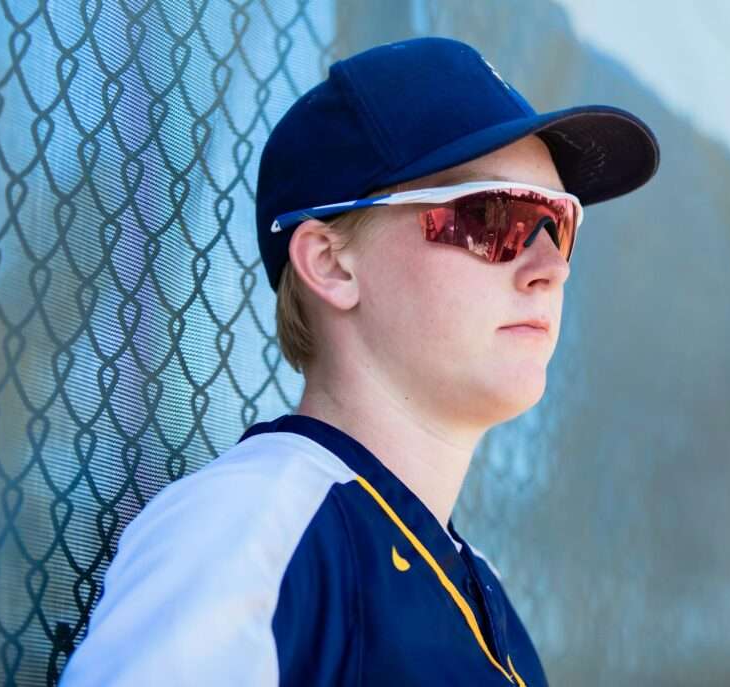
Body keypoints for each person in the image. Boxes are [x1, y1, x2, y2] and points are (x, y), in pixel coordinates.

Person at [61, 35, 659, 686]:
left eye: (558, 223)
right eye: (495, 216)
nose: (550, 267)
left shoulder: (486, 594)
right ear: (331, 262)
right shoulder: (251, 529)